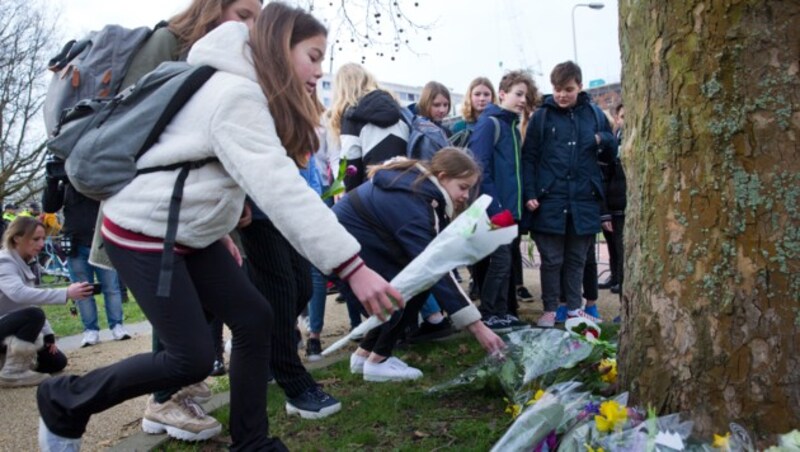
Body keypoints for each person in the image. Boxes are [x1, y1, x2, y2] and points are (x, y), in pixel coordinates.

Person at [36, 4, 401, 451]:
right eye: (312, 56)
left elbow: (200, 170)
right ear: (277, 47)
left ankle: (251, 442)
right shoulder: (236, 94)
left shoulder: (243, 88)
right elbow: (279, 188)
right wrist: (352, 266)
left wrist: (222, 226)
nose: (318, 71)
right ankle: (64, 399)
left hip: (190, 231)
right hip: (144, 231)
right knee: (189, 357)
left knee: (254, 319)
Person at [112, 0, 264, 439]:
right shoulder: (167, 43)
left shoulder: (227, 65)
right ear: (214, 9)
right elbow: (134, 129)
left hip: (190, 214)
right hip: (147, 211)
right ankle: (162, 402)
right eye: (244, 13)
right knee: (177, 316)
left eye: (258, 16)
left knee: (229, 313)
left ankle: (181, 395)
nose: (252, 26)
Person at [335, 148, 506, 382]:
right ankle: (378, 361)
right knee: (410, 288)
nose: (466, 195)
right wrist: (477, 327)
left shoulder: (418, 189)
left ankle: (365, 355)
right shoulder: (414, 202)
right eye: (463, 187)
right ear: (443, 177)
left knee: (412, 286)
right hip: (348, 249)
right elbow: (433, 267)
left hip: (355, 244)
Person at [522, 61, 617, 328]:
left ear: (579, 86)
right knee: (551, 260)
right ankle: (551, 309)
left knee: (577, 259)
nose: (562, 95)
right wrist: (530, 192)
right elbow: (529, 157)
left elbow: (612, 153)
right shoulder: (541, 116)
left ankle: (574, 310)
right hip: (549, 198)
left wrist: (602, 139)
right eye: (557, 89)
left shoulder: (594, 114)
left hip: (584, 199)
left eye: (568, 89)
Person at [469, 70, 538, 332]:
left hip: (510, 209)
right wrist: (496, 208)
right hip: (496, 210)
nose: (522, 100)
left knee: (506, 263)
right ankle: (489, 313)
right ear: (502, 94)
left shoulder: (511, 126)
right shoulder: (491, 123)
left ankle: (502, 311)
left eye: (526, 96)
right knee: (498, 263)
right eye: (518, 94)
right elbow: (479, 168)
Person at [0, 217, 93, 387]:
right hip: (5, 325)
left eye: (43, 238)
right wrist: (66, 293)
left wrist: (48, 336)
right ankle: (12, 372)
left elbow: (29, 300)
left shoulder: (25, 261)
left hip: (9, 326)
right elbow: (19, 295)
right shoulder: (4, 261)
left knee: (56, 362)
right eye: (36, 239)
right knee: (34, 315)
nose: (42, 244)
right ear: (17, 238)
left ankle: (9, 361)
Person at [42, 174, 131, 348]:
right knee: (83, 290)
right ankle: (91, 330)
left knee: (111, 287)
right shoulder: (65, 184)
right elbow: (49, 206)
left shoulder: (97, 177)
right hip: (75, 242)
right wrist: (52, 181)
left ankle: (117, 325)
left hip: (101, 240)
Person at [330, 63, 410, 191]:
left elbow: (351, 170)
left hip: (372, 194)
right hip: (406, 188)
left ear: (342, 89)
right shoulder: (401, 112)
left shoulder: (351, 117)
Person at [599, 103, 627, 297]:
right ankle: (615, 275)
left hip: (624, 203)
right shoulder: (612, 145)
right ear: (617, 119)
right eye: (623, 116)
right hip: (612, 201)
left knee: (621, 244)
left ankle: (622, 277)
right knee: (612, 244)